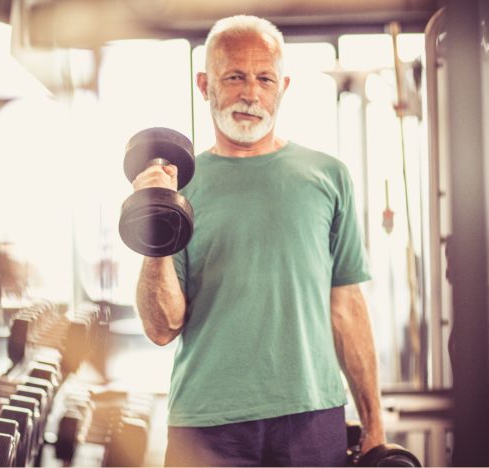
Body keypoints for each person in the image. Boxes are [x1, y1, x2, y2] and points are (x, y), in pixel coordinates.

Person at [133, 14, 385, 467]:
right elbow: (161, 327)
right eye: (234, 77)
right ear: (204, 84)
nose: (251, 93)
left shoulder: (329, 177)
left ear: (283, 86)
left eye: (264, 78)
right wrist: (155, 222)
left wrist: (375, 427)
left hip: (311, 416)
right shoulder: (178, 187)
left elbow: (346, 309)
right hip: (207, 422)